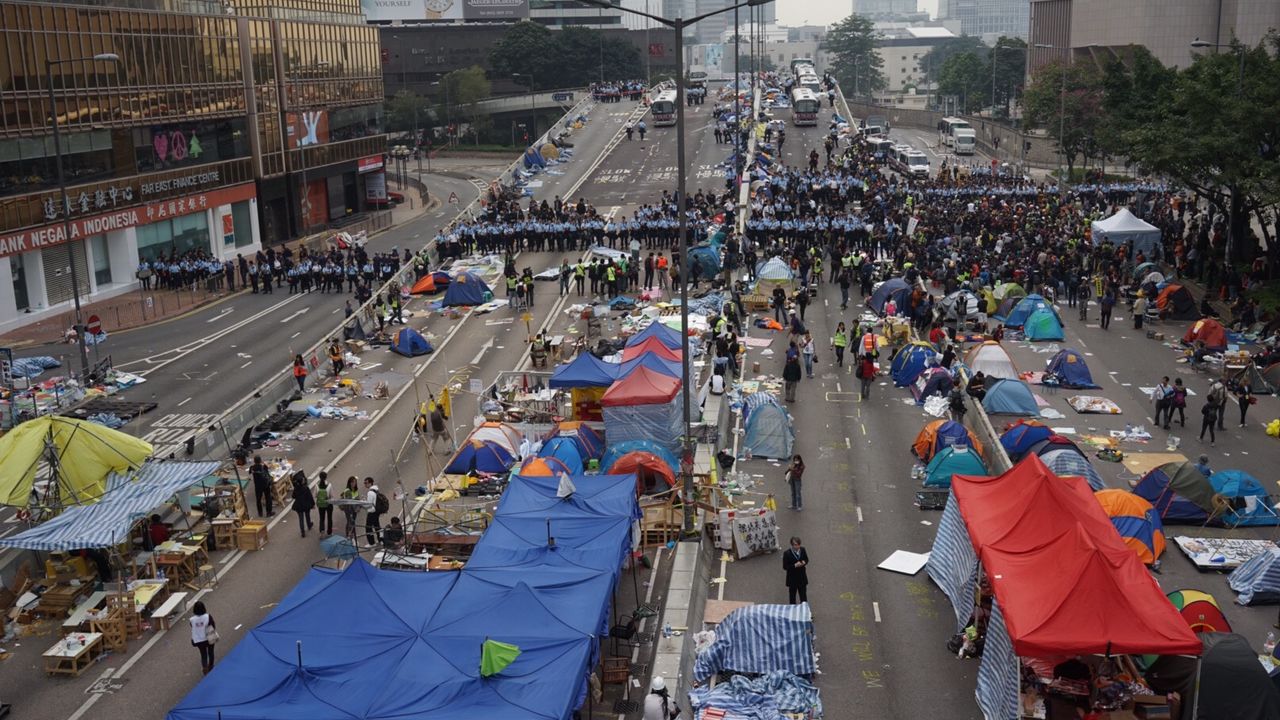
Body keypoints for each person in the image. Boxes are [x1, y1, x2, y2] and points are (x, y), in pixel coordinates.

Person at [189, 600, 216, 675]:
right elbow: (213, 626)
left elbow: (192, 627)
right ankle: (211, 666)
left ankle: (205, 668)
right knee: (211, 652)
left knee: (203, 654)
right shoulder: (208, 616)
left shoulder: (192, 620)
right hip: (209, 637)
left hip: (199, 640)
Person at [782, 536, 809, 604]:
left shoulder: (802, 550)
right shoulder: (787, 553)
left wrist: (804, 562)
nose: (797, 547)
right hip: (792, 579)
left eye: (799, 544)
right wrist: (794, 565)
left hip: (802, 577)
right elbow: (785, 567)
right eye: (796, 545)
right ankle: (793, 612)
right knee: (792, 597)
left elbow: (806, 559)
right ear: (792, 545)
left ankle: (804, 611)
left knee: (803, 597)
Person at [291, 471, 315, 538]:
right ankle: (309, 525)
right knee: (307, 515)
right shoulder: (306, 488)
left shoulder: (296, 488)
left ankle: (302, 532)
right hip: (306, 504)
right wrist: (313, 504)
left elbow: (293, 496)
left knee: (301, 519)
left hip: (298, 505)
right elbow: (310, 496)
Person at [364, 477, 383, 547]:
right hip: (377, 511)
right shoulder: (376, 490)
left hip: (372, 512)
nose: (365, 485)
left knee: (368, 527)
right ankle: (381, 540)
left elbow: (369, 504)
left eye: (366, 483)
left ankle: (371, 543)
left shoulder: (370, 493)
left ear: (370, 483)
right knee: (377, 526)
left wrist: (363, 504)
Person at [315, 472, 333, 537]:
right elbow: (331, 495)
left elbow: (315, 495)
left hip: (321, 504)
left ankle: (322, 531)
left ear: (319, 477)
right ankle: (329, 532)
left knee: (322, 518)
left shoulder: (317, 485)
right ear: (326, 477)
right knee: (329, 518)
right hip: (328, 504)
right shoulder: (329, 485)